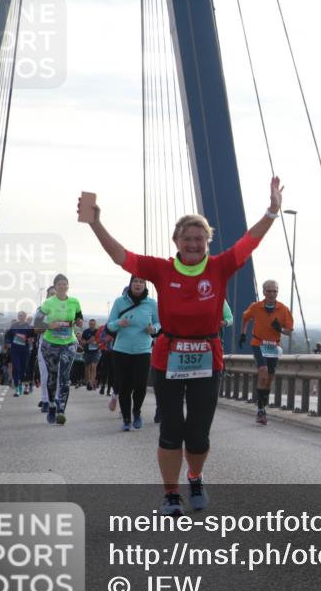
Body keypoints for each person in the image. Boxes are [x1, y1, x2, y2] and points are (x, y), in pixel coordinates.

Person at [84, 176, 285, 516]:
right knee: (171, 430)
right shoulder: (161, 269)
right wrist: (96, 224)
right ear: (176, 240)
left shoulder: (220, 267)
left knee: (198, 434)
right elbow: (121, 256)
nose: (193, 244)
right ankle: (171, 492)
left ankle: (195, 475)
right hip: (168, 358)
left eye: (200, 238)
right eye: (187, 238)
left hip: (209, 358)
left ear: (208, 241)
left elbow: (250, 242)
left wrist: (272, 211)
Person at [107, 276, 160, 431]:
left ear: (145, 285)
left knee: (140, 385)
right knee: (124, 386)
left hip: (142, 351)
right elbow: (110, 325)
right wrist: (119, 323)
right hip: (121, 350)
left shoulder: (151, 303)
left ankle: (136, 411)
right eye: (135, 281)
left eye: (142, 282)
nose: (138, 284)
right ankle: (126, 419)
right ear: (130, 284)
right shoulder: (119, 302)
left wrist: (153, 329)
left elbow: (159, 323)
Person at [239, 280, 294, 425]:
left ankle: (262, 405)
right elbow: (245, 318)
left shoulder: (283, 309)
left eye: (274, 291)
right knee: (263, 371)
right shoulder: (256, 307)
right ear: (264, 292)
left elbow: (289, 331)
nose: (272, 294)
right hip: (258, 343)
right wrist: (243, 334)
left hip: (273, 346)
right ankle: (260, 410)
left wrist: (280, 330)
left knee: (269, 377)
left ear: (277, 292)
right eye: (269, 291)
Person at [34, 274, 84, 425]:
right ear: (55, 287)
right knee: (53, 376)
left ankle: (61, 410)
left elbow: (79, 318)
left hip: (68, 343)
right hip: (50, 344)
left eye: (65, 284)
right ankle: (51, 405)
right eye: (59, 284)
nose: (62, 287)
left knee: (65, 377)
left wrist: (80, 321)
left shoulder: (74, 302)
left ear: (68, 286)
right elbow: (37, 324)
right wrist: (50, 326)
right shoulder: (48, 303)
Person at [5, 311, 34, 396]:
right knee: (16, 368)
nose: (21, 317)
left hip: (25, 350)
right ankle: (17, 388)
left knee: (23, 369)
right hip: (15, 350)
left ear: (25, 317)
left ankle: (21, 383)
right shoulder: (14, 326)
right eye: (19, 316)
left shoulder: (29, 327)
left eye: (22, 316)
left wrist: (30, 340)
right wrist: (8, 343)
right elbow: (8, 336)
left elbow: (32, 338)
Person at [80, 319, 101, 390]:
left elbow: (102, 340)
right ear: (89, 324)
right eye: (91, 324)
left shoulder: (98, 331)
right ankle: (88, 381)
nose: (92, 325)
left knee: (93, 366)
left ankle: (91, 383)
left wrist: (96, 342)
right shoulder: (86, 332)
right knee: (87, 367)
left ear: (95, 324)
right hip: (87, 351)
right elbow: (82, 342)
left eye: (93, 324)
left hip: (96, 351)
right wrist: (88, 341)